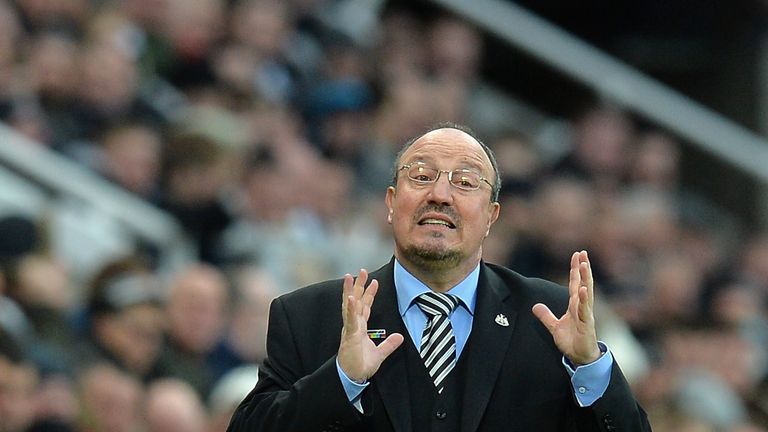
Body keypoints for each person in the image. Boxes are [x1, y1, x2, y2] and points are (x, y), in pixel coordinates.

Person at [227, 122, 651, 431]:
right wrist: (341, 380)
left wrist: (590, 368)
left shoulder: (549, 318)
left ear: (491, 216)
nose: (440, 195)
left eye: (465, 182)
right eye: (422, 176)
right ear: (391, 203)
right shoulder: (308, 315)